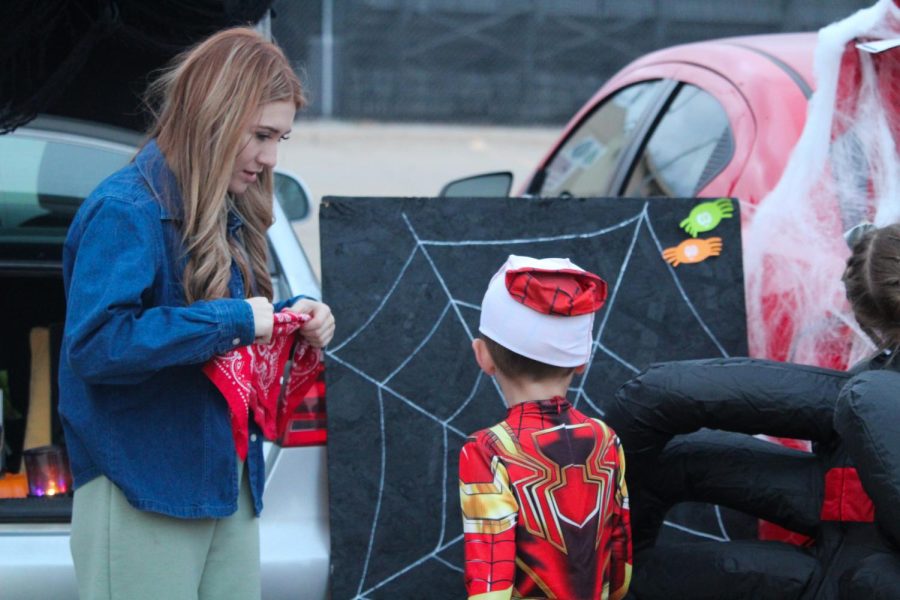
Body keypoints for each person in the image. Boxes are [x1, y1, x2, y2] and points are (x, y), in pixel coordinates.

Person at [59, 27, 335, 600]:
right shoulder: (125, 209)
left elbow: (220, 330)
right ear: (213, 114)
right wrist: (237, 320)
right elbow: (98, 345)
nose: (271, 158)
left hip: (228, 483)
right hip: (141, 486)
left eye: (281, 138)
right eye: (260, 135)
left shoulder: (226, 208)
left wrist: (290, 317)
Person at [458, 255, 632, 600]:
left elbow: (489, 583)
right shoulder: (605, 438)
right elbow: (621, 563)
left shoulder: (487, 448)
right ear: (582, 360)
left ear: (483, 357)